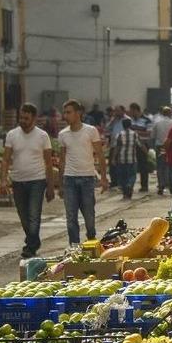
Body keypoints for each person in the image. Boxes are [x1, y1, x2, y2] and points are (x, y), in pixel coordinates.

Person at [1, 103, 55, 258]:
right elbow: (5, 159)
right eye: (21, 118)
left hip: (37, 181)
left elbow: (49, 163)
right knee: (23, 216)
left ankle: (30, 247)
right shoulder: (12, 135)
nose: (23, 121)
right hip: (17, 181)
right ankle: (34, 241)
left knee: (33, 215)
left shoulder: (42, 136)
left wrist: (51, 186)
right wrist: (3, 180)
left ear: (34, 118)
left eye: (26, 118)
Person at [58, 99, 108, 246]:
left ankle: (91, 241)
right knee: (71, 216)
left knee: (89, 215)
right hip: (69, 179)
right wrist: (60, 184)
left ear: (78, 113)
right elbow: (62, 160)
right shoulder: (63, 134)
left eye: (69, 112)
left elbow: (100, 155)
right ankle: (74, 246)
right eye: (64, 113)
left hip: (87, 178)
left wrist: (103, 178)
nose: (65, 116)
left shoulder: (91, 131)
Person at [111, 117, 146, 199]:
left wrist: (113, 158)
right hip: (132, 159)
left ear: (123, 125)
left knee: (123, 176)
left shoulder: (119, 134)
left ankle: (125, 193)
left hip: (122, 159)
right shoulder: (134, 134)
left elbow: (117, 148)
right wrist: (146, 153)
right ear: (130, 125)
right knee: (132, 175)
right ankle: (130, 185)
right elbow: (140, 145)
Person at [128, 103, 153, 192]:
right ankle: (129, 185)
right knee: (131, 166)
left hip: (143, 144)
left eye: (131, 111)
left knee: (143, 166)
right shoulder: (130, 120)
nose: (130, 113)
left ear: (136, 110)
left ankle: (144, 186)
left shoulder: (147, 120)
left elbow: (149, 133)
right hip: (132, 145)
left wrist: (136, 132)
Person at [151, 106, 172, 195]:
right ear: (170, 113)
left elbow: (152, 136)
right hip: (171, 146)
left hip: (160, 146)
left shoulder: (157, 123)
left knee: (160, 167)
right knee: (170, 165)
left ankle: (161, 186)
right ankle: (171, 186)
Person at [105, 105, 126, 187]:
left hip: (123, 145)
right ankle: (114, 181)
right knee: (112, 164)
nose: (116, 113)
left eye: (118, 111)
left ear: (123, 111)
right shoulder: (114, 120)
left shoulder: (127, 120)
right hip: (113, 144)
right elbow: (107, 129)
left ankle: (121, 182)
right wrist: (112, 120)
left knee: (121, 164)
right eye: (115, 111)